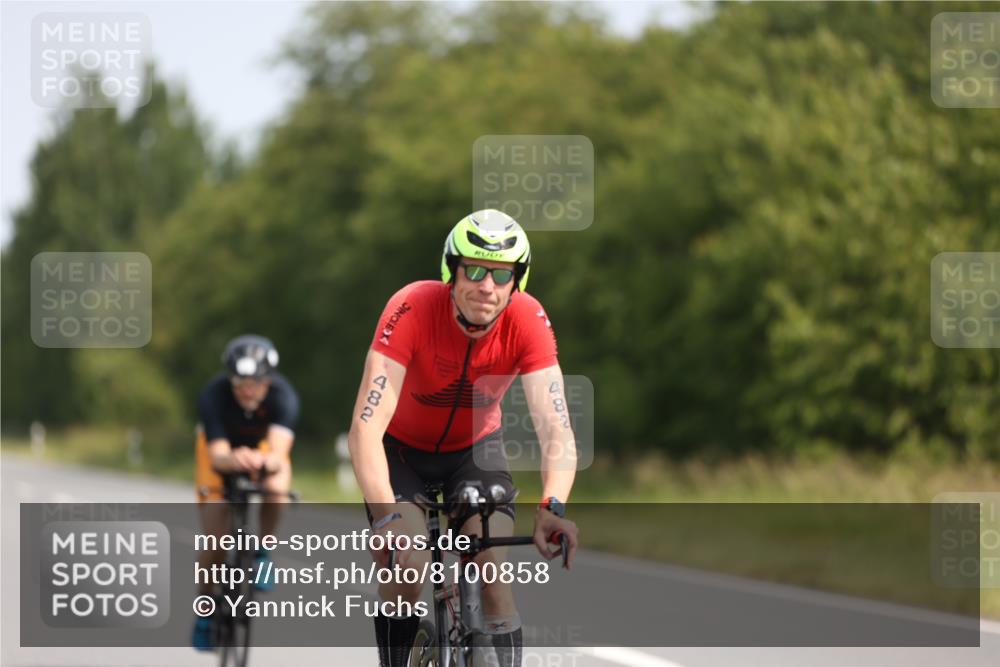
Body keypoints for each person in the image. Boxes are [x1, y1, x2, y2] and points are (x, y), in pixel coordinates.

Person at [348, 209, 580, 667]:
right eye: (473, 269)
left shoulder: (529, 320)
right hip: (401, 453)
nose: (486, 286)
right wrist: (385, 518)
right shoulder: (412, 307)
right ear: (450, 272)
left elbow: (556, 428)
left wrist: (553, 507)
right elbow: (365, 430)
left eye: (500, 274)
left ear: (517, 281)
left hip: (475, 452)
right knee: (408, 566)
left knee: (491, 572)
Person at [191, 334, 300, 651]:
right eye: (239, 381)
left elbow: (279, 456)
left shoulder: (284, 398)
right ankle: (205, 610)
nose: (247, 389)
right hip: (220, 454)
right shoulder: (212, 395)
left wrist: (265, 462)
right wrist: (233, 460)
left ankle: (263, 551)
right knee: (214, 539)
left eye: (256, 381)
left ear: (269, 380)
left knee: (277, 488)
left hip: (263, 449)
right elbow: (217, 455)